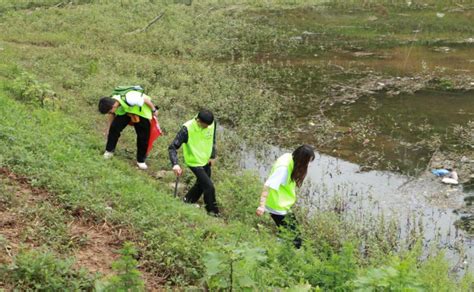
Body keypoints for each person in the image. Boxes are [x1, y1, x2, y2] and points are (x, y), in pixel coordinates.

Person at [256, 145, 315, 248]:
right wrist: (261, 206)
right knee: (295, 236)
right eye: (307, 162)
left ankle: (279, 249)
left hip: (283, 205)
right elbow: (268, 185)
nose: (308, 165)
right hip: (277, 206)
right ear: (301, 160)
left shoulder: (289, 156)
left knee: (286, 230)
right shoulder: (283, 169)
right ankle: (290, 254)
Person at [168, 109, 219, 216]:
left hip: (206, 160)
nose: (207, 128)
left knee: (201, 184)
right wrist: (175, 164)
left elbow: (213, 139)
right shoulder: (187, 129)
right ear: (198, 121)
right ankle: (213, 213)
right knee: (209, 187)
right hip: (194, 162)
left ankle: (187, 201)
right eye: (204, 126)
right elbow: (172, 147)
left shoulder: (211, 123)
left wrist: (212, 156)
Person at [98, 90, 158, 170]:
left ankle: (140, 161)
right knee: (114, 129)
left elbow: (145, 100)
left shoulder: (130, 98)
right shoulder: (113, 100)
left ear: (113, 107)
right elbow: (112, 117)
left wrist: (154, 110)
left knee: (143, 137)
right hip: (126, 111)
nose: (110, 113)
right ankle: (109, 151)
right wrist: (109, 129)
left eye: (109, 111)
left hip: (142, 112)